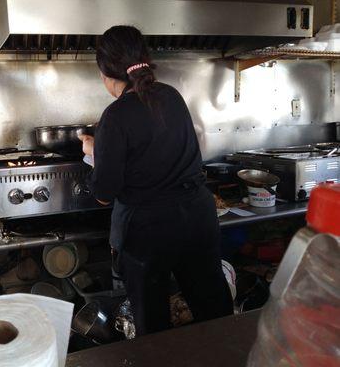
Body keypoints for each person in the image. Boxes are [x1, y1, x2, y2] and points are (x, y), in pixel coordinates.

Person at [79, 25, 233, 336]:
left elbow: (104, 195)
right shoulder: (172, 96)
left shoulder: (115, 115)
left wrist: (95, 151)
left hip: (149, 230)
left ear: (104, 72)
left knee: (153, 324)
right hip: (197, 218)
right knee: (215, 311)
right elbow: (158, 150)